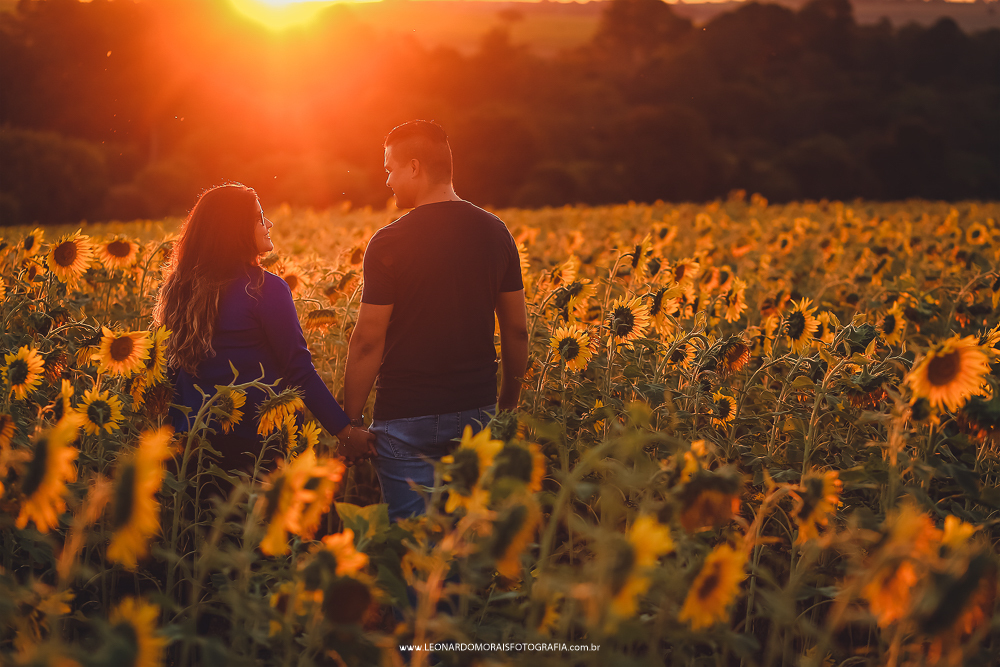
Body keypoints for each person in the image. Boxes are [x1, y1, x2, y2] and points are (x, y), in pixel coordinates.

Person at [341, 120, 529, 522]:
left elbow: (368, 340)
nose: (387, 180)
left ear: (414, 167)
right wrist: (508, 402)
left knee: (413, 546)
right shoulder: (496, 233)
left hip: (406, 415)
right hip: (476, 409)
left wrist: (350, 423)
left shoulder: (389, 242)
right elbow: (516, 329)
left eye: (390, 168)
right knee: (467, 536)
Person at [154, 183, 372, 482]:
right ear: (236, 229)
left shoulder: (181, 288)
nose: (268, 224)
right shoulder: (263, 289)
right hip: (254, 448)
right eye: (259, 217)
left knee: (196, 526)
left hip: (189, 445)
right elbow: (299, 370)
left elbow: (172, 372)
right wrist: (345, 431)